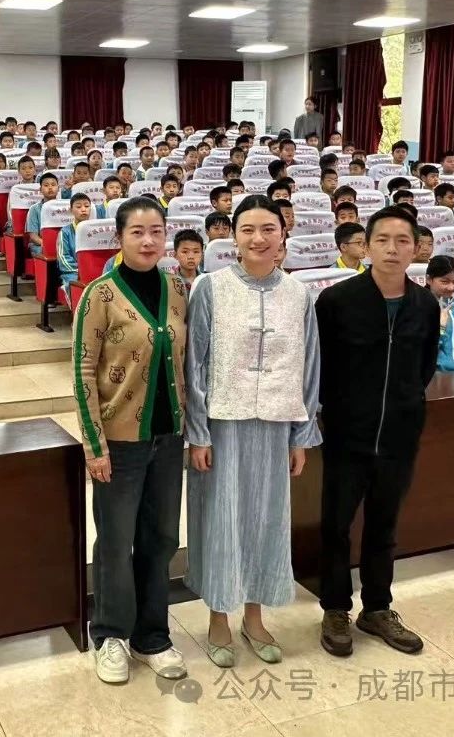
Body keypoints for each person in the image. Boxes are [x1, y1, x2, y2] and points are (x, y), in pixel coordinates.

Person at [184, 195, 321, 667]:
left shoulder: (299, 295)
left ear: (283, 235)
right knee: (222, 520)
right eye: (248, 229)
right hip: (223, 423)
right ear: (234, 237)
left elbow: (309, 367)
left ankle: (255, 616)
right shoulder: (210, 288)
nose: (258, 238)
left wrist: (301, 436)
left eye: (268, 229)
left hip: (277, 424)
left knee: (266, 520)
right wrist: (198, 432)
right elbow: (195, 363)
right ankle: (218, 617)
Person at [73, 197, 189, 685]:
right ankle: (111, 635)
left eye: (156, 231)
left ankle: (152, 636)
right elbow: (83, 370)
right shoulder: (99, 294)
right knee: (117, 541)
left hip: (168, 437)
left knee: (160, 539)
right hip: (119, 441)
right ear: (119, 237)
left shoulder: (177, 287)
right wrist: (94, 445)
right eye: (137, 231)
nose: (148, 240)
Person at [315, 207, 440, 658]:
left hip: (400, 434)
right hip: (347, 433)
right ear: (366, 246)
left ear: (416, 248)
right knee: (336, 524)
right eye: (382, 240)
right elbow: (320, 367)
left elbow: (424, 367)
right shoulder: (336, 301)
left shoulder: (425, 303)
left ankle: (377, 608)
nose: (392, 249)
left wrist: (403, 407)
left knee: (384, 524)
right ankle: (335, 608)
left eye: (402, 240)